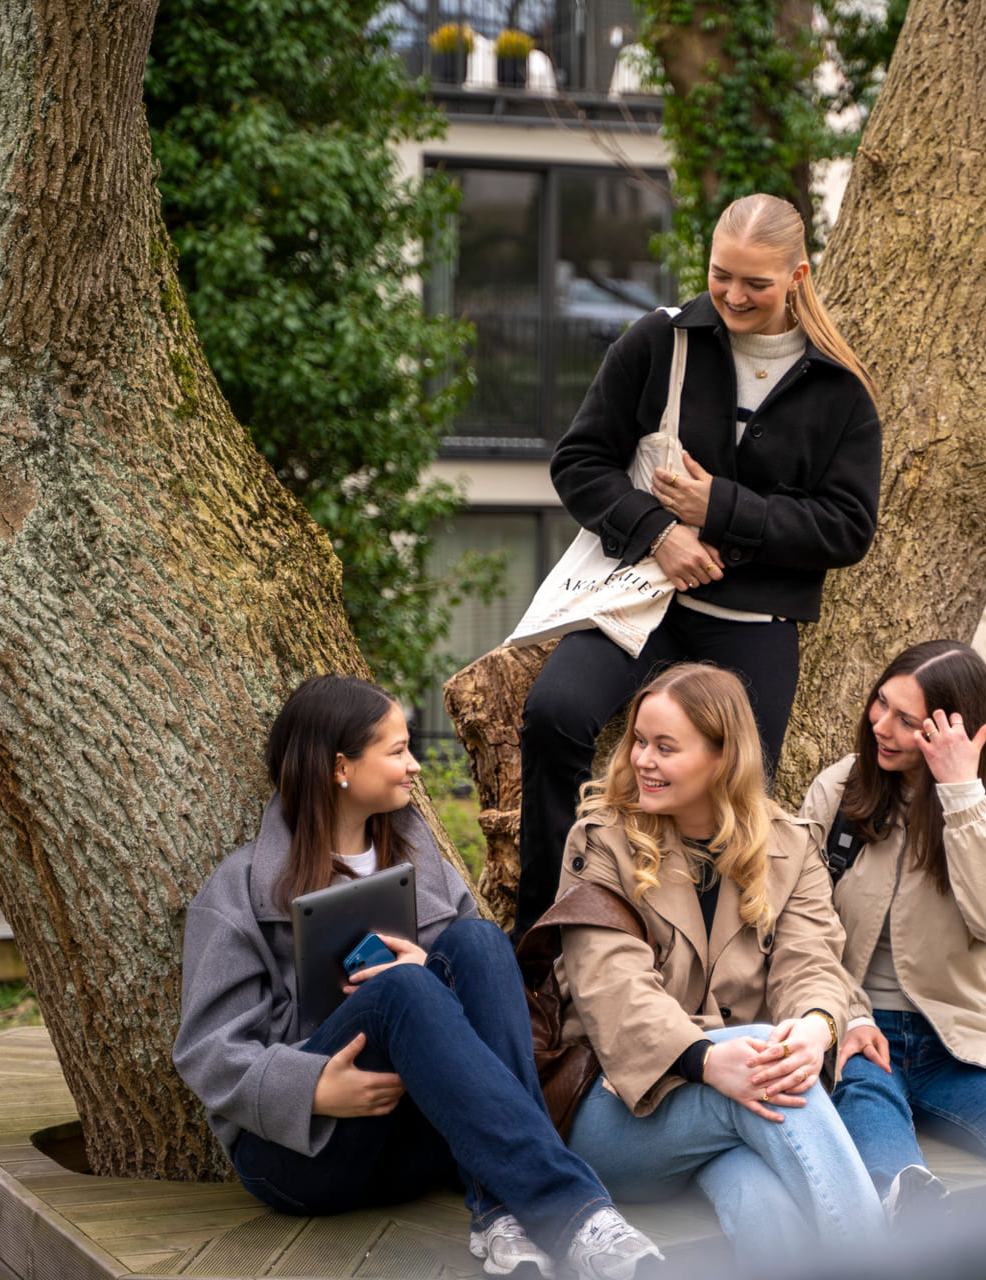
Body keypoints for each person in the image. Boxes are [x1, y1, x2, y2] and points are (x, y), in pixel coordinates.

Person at [174, 674, 662, 1279]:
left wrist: (429, 971)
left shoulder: (419, 858)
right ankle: (574, 1212)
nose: (415, 767)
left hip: (417, 1138)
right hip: (304, 1155)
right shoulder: (239, 890)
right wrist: (313, 1088)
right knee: (399, 987)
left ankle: (500, 1210)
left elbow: (476, 990)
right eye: (397, 750)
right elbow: (207, 1050)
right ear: (339, 767)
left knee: (480, 940)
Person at [514, 192, 882, 936]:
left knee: (732, 805)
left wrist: (720, 507)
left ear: (799, 277)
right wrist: (658, 532)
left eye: (756, 283)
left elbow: (847, 530)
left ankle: (694, 968)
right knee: (553, 716)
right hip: (643, 598)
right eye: (722, 276)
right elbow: (579, 462)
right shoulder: (660, 342)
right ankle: (544, 931)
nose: (735, 296)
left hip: (753, 625)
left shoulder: (841, 390)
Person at [550, 663, 886, 1252]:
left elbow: (812, 961)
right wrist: (707, 1061)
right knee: (765, 1061)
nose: (641, 761)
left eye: (665, 747)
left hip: (743, 1100)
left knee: (766, 1207)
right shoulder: (601, 841)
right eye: (638, 742)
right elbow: (612, 986)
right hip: (618, 1106)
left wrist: (815, 1027)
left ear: (722, 756)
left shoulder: (789, 844)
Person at [800, 641, 986, 1215]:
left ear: (951, 727)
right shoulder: (840, 790)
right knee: (899, 1189)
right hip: (858, 1034)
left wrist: (962, 796)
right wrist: (846, 1014)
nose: (881, 726)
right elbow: (801, 926)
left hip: (964, 1041)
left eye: (906, 721)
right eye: (880, 704)